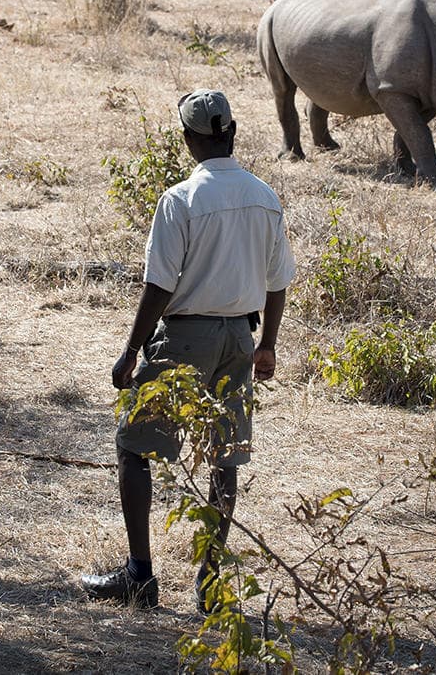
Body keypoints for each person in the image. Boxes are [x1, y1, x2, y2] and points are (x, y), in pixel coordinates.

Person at [82, 89, 295, 611]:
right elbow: (278, 281)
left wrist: (131, 349)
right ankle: (211, 581)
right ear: (233, 132)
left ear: (188, 141)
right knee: (224, 458)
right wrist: (266, 343)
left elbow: (158, 284)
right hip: (238, 341)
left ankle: (140, 574)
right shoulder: (264, 196)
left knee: (134, 446)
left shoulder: (181, 199)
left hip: (186, 336)